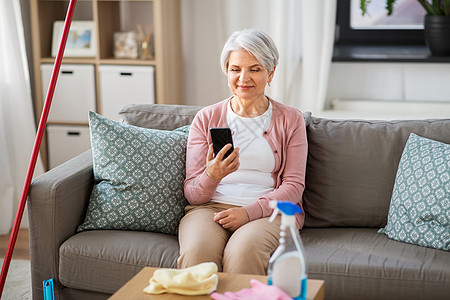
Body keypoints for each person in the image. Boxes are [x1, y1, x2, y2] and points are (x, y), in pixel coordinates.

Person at [178, 28, 308, 275]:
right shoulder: (206, 118)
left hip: (268, 214)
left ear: (271, 72)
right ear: (226, 71)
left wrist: (248, 213)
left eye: (255, 69)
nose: (243, 78)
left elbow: (293, 187)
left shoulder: (291, 119)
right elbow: (193, 195)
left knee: (243, 252)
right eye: (235, 69)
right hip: (210, 210)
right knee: (197, 253)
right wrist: (212, 175)